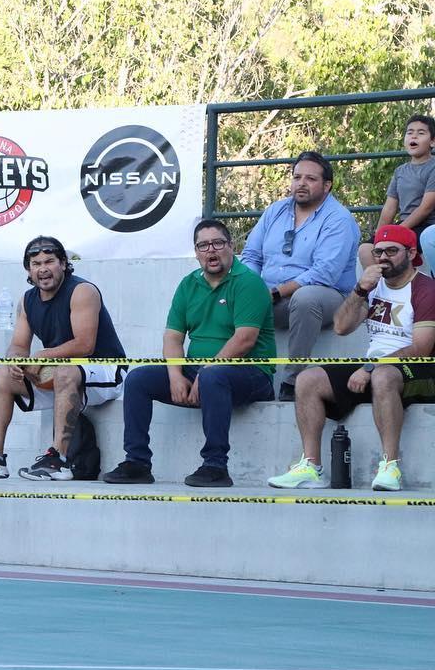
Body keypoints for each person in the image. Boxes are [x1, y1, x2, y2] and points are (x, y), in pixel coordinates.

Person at [103, 219, 276, 488]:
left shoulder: (249, 282)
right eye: (203, 245)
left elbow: (244, 339)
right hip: (203, 372)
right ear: (196, 252)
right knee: (138, 379)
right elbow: (173, 336)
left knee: (213, 377)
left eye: (218, 243)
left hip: (252, 375)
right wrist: (175, 374)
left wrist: (205, 372)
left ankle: (215, 465)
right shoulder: (189, 284)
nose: (211, 251)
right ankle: (137, 462)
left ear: (231, 246)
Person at [268, 225, 435, 492]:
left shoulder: (425, 288)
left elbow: (421, 349)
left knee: (383, 375)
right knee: (308, 379)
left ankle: (390, 466)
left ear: (411, 252)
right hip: (377, 367)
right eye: (379, 252)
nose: (384, 258)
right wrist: (359, 290)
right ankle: (311, 467)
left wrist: (370, 368)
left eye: (392, 251)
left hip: (421, 372)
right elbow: (341, 327)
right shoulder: (374, 285)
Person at [0, 236, 126, 481]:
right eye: (36, 263)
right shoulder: (27, 300)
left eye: (49, 261)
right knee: (2, 375)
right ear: (28, 269)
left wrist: (42, 355)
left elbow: (85, 344)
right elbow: (17, 345)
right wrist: (16, 361)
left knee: (65, 371)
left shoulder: (82, 291)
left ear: (63, 264)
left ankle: (58, 459)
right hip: (61, 373)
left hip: (106, 371)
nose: (43, 268)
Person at [239, 151, 360, 400]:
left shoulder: (339, 219)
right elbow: (251, 256)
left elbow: (323, 273)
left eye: (310, 179)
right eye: (297, 177)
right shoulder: (275, 211)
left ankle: (292, 381)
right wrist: (252, 289)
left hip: (328, 297)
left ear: (327, 185)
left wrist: (274, 292)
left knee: (305, 298)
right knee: (225, 293)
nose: (301, 184)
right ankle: (233, 375)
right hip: (271, 297)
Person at [360, 115, 435, 271]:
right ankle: (376, 290)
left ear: (432, 142)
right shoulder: (400, 171)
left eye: (421, 133)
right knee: (366, 249)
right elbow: (389, 208)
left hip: (427, 226)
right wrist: (380, 233)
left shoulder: (433, 167)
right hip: (405, 224)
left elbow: (425, 208)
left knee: (395, 245)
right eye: (409, 132)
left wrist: (397, 231)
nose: (414, 136)